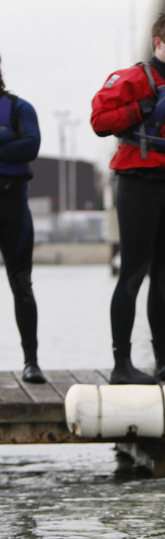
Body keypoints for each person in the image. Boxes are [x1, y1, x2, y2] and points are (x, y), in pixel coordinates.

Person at [91, 10, 165, 384]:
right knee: (133, 272)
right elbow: (99, 121)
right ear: (159, 43)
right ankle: (121, 364)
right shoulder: (134, 78)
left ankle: (164, 361)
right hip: (137, 184)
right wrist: (139, 108)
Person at [0, 54, 45, 383]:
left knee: (22, 285)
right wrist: (6, 140)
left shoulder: (19, 109)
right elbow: (18, 143)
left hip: (13, 204)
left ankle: (31, 361)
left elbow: (30, 146)